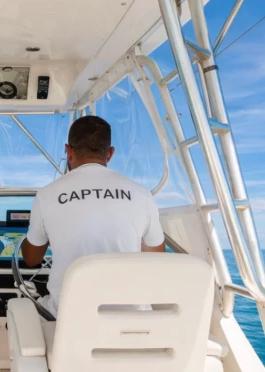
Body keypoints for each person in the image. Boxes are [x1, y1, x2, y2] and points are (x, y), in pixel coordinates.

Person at [21, 115, 165, 316]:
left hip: (70, 316)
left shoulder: (47, 195)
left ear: (68, 151)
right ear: (110, 153)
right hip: (130, 316)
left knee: (22, 308)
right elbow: (156, 258)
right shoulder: (142, 194)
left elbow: (31, 259)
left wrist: (27, 242)